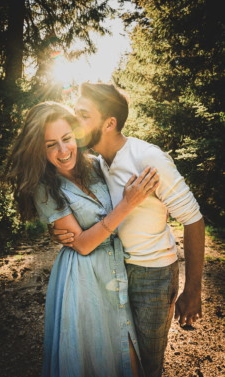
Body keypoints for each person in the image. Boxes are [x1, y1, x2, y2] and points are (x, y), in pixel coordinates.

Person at [53, 83, 205, 377]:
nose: (75, 122)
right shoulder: (98, 164)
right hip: (114, 272)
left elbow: (193, 219)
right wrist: (57, 231)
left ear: (109, 123)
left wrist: (194, 290)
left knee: (148, 365)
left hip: (153, 275)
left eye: (83, 115)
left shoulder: (147, 158)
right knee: (122, 359)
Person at [2, 101, 160, 377]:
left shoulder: (97, 165)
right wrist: (127, 204)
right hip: (83, 279)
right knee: (94, 357)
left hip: (119, 269)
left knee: (128, 358)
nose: (63, 151)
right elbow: (84, 245)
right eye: (51, 144)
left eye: (66, 138)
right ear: (39, 148)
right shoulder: (44, 187)